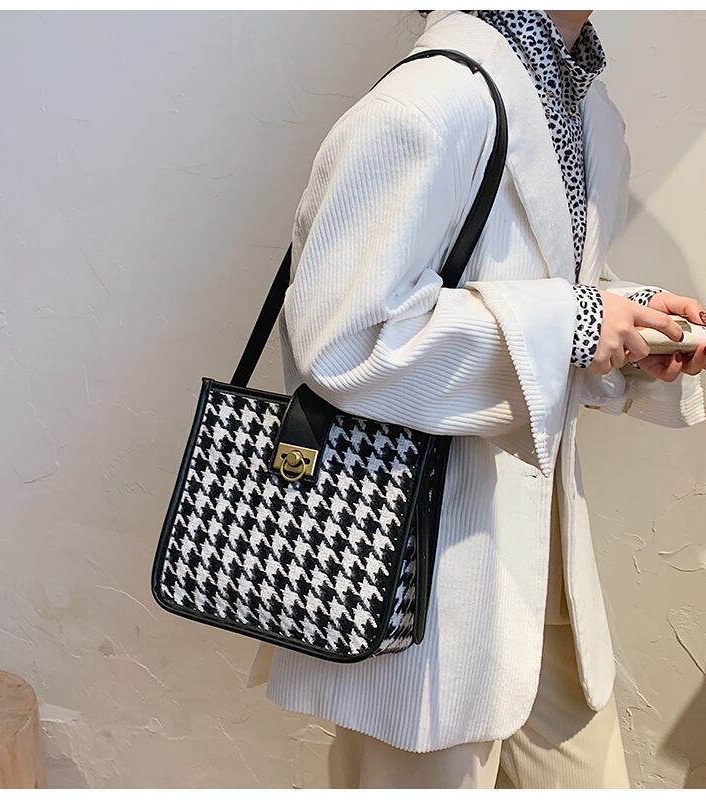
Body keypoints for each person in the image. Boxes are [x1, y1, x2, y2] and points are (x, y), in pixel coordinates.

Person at [245, 10, 706, 788]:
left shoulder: (590, 112)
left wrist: (627, 328)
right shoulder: (430, 101)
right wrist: (574, 323)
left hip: (544, 583)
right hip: (425, 591)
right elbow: (341, 338)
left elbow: (528, 287)